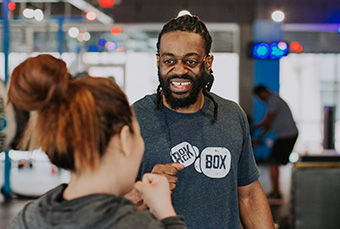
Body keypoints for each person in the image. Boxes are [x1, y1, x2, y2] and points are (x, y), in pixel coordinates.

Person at [7, 54, 187, 229]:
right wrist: (166, 213)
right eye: (137, 134)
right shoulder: (136, 224)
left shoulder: (27, 218)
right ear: (124, 139)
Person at [129, 15, 274, 229]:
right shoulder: (134, 118)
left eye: (190, 61)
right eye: (169, 61)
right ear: (158, 61)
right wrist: (143, 189)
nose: (179, 70)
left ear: (207, 62)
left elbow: (249, 195)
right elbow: (108, 203)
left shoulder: (232, 115)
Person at [253, 85, 298, 199]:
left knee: (273, 162)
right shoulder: (274, 100)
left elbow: (268, 120)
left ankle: (277, 192)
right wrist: (259, 136)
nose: (260, 99)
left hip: (287, 135)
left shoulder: (273, 100)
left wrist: (252, 127)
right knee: (273, 162)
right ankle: (276, 191)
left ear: (263, 92)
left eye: (259, 96)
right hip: (285, 135)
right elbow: (269, 125)